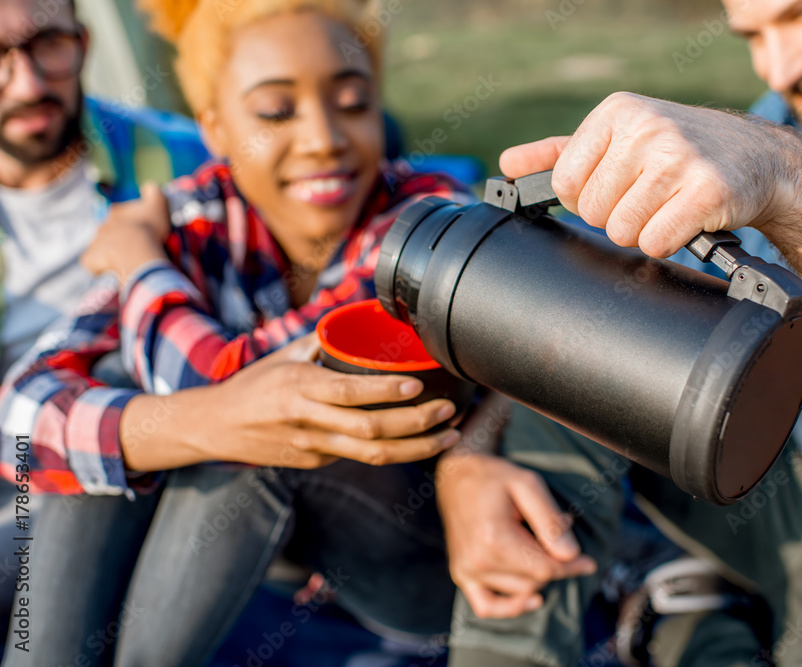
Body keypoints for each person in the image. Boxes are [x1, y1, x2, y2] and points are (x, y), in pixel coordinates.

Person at [0, 1, 621, 665]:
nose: (324, 137)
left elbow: (230, 383)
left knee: (272, 424)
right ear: (213, 128)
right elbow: (22, 409)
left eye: (353, 103)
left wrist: (140, 263)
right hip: (278, 567)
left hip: (416, 562)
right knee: (109, 414)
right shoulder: (194, 213)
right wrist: (176, 413)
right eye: (274, 112)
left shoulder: (417, 228)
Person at [465, 0, 802, 664]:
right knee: (571, 336)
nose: (781, 68)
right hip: (776, 478)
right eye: (753, 33)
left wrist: (794, 179)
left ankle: (695, 610)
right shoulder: (786, 115)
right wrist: (476, 454)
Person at [0, 0, 208, 638]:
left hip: (153, 458)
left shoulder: (179, 159)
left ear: (85, 42)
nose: (30, 83)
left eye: (48, 45)